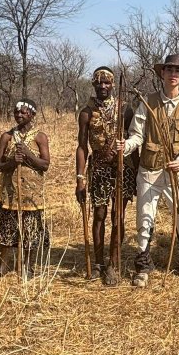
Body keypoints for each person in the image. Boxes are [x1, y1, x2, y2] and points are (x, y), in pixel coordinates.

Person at [117, 54, 179, 287]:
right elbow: (136, 135)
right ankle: (143, 264)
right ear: (162, 73)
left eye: (178, 71)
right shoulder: (147, 102)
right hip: (149, 170)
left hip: (176, 173)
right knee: (145, 216)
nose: (173, 74)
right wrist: (124, 147)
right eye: (169, 70)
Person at [75, 66, 136, 286]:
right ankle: (99, 262)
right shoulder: (86, 112)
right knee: (99, 214)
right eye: (99, 82)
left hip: (122, 168)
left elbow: (134, 141)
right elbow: (82, 147)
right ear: (93, 84)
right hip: (99, 168)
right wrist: (80, 179)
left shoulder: (125, 110)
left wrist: (136, 174)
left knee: (118, 215)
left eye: (107, 82)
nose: (103, 86)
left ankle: (113, 263)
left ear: (112, 85)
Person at [0, 99, 51, 278]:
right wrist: (11, 162)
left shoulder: (40, 137)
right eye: (16, 112)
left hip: (32, 195)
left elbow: (45, 165)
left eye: (23, 112)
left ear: (32, 115)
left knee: (30, 231)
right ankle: (3, 264)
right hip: (10, 194)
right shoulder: (7, 137)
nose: (19, 115)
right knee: (7, 230)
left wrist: (28, 154)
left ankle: (27, 266)